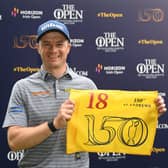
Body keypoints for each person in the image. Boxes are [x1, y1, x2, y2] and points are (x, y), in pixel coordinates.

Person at [2, 20, 167, 168]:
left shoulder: (87, 86)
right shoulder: (22, 87)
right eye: (46, 44)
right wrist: (54, 125)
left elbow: (112, 126)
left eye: (59, 44)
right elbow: (14, 141)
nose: (53, 49)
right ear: (38, 48)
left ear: (68, 48)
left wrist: (147, 114)